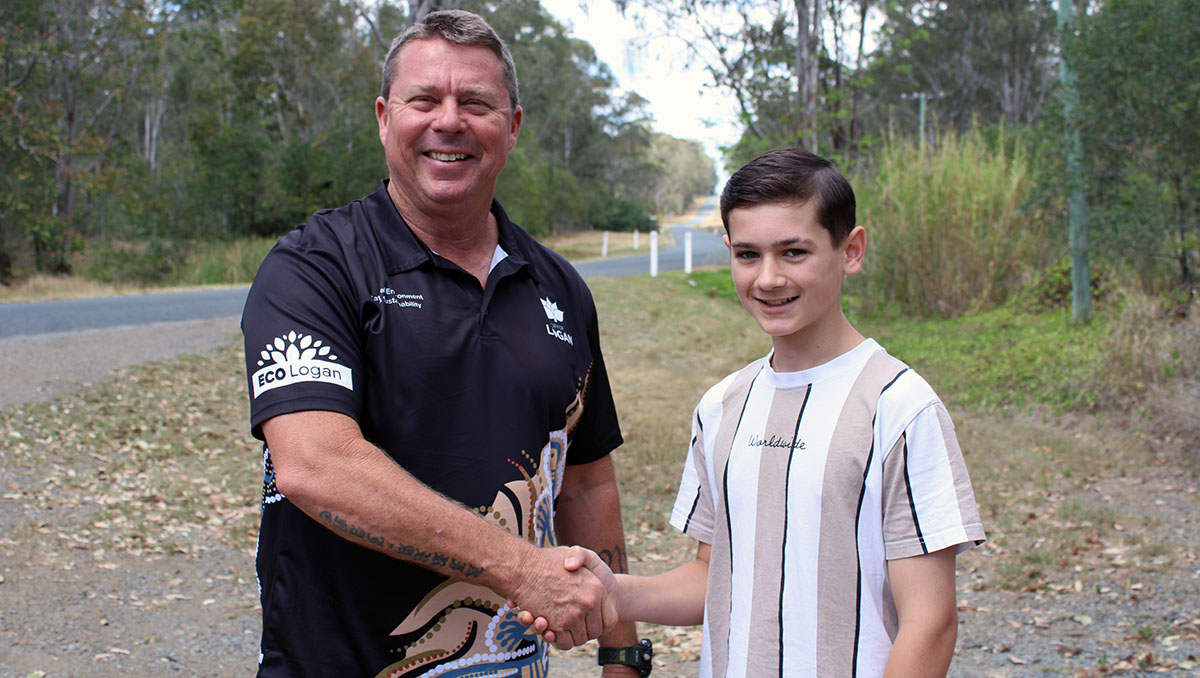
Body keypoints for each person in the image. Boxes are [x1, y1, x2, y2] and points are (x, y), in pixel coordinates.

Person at [240, 10, 639, 677]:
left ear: (511, 127)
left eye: (476, 103)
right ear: (383, 117)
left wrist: (622, 655)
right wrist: (518, 568)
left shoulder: (560, 287)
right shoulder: (315, 266)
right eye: (423, 99)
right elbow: (315, 465)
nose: (448, 121)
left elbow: (588, 481)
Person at [527, 147, 986, 677]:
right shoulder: (721, 407)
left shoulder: (900, 408)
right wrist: (612, 592)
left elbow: (930, 623)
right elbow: (712, 579)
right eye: (748, 255)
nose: (768, 278)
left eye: (794, 252)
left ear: (851, 250)